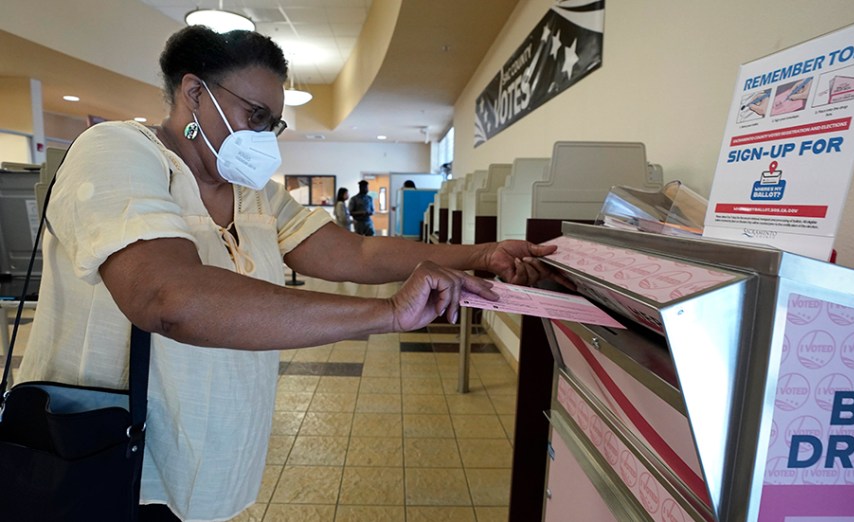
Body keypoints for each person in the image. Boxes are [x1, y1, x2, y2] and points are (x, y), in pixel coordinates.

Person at [17, 26, 557, 522]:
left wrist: (482, 255)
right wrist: (389, 314)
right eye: (255, 115)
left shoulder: (256, 196)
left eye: (272, 124)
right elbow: (169, 297)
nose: (265, 137)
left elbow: (358, 255)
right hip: (110, 453)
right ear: (195, 92)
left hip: (212, 449)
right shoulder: (116, 152)